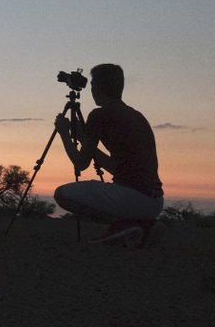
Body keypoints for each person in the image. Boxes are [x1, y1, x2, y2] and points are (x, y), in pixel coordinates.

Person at [53, 63, 164, 245]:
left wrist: (64, 133)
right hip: (154, 202)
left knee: (62, 194)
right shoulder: (137, 116)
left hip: (130, 197)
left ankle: (124, 227)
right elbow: (117, 168)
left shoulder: (99, 115)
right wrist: (82, 138)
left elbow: (81, 164)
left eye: (93, 85)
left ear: (97, 87)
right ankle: (142, 225)